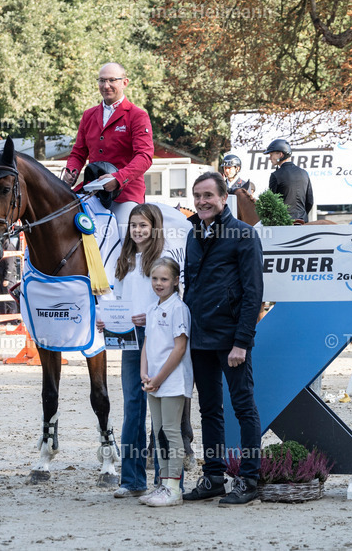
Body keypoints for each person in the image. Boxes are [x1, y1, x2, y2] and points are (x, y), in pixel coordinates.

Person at [182, 171, 264, 506]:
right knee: (209, 410)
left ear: (223, 198)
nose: (202, 201)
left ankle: (249, 479)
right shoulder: (192, 233)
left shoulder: (243, 235)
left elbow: (253, 292)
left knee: (244, 408)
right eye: (197, 196)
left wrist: (241, 342)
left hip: (232, 341)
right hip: (199, 339)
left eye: (208, 196)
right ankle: (214, 476)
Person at [101, 203, 188, 499]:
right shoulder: (124, 258)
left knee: (162, 410)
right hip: (129, 337)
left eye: (143, 225)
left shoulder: (162, 258)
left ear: (155, 227)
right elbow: (120, 298)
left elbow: (173, 297)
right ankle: (132, 478)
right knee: (132, 407)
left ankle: (170, 481)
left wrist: (146, 315)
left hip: (158, 337)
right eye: (133, 225)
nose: (137, 230)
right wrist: (108, 320)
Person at [62, 63, 155, 232]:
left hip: (125, 194)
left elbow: (144, 157)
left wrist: (118, 179)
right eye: (102, 81)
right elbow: (78, 152)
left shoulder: (137, 116)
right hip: (92, 191)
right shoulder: (88, 115)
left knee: (124, 239)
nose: (106, 86)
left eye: (112, 80)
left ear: (125, 82)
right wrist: (71, 171)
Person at [139, 257, 193, 507]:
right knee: (159, 432)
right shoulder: (152, 308)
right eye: (154, 278)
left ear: (174, 282)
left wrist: (159, 379)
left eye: (164, 279)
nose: (158, 283)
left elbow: (179, 348)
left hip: (171, 381)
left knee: (172, 432)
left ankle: (174, 487)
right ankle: (162, 482)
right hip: (153, 382)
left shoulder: (178, 308)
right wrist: (145, 374)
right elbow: (147, 344)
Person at [264, 139, 313, 222]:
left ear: (280, 154)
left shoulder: (276, 175)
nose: (269, 158)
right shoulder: (304, 173)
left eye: (271, 155)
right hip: (303, 221)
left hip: (284, 223)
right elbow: (310, 201)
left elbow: (272, 204)